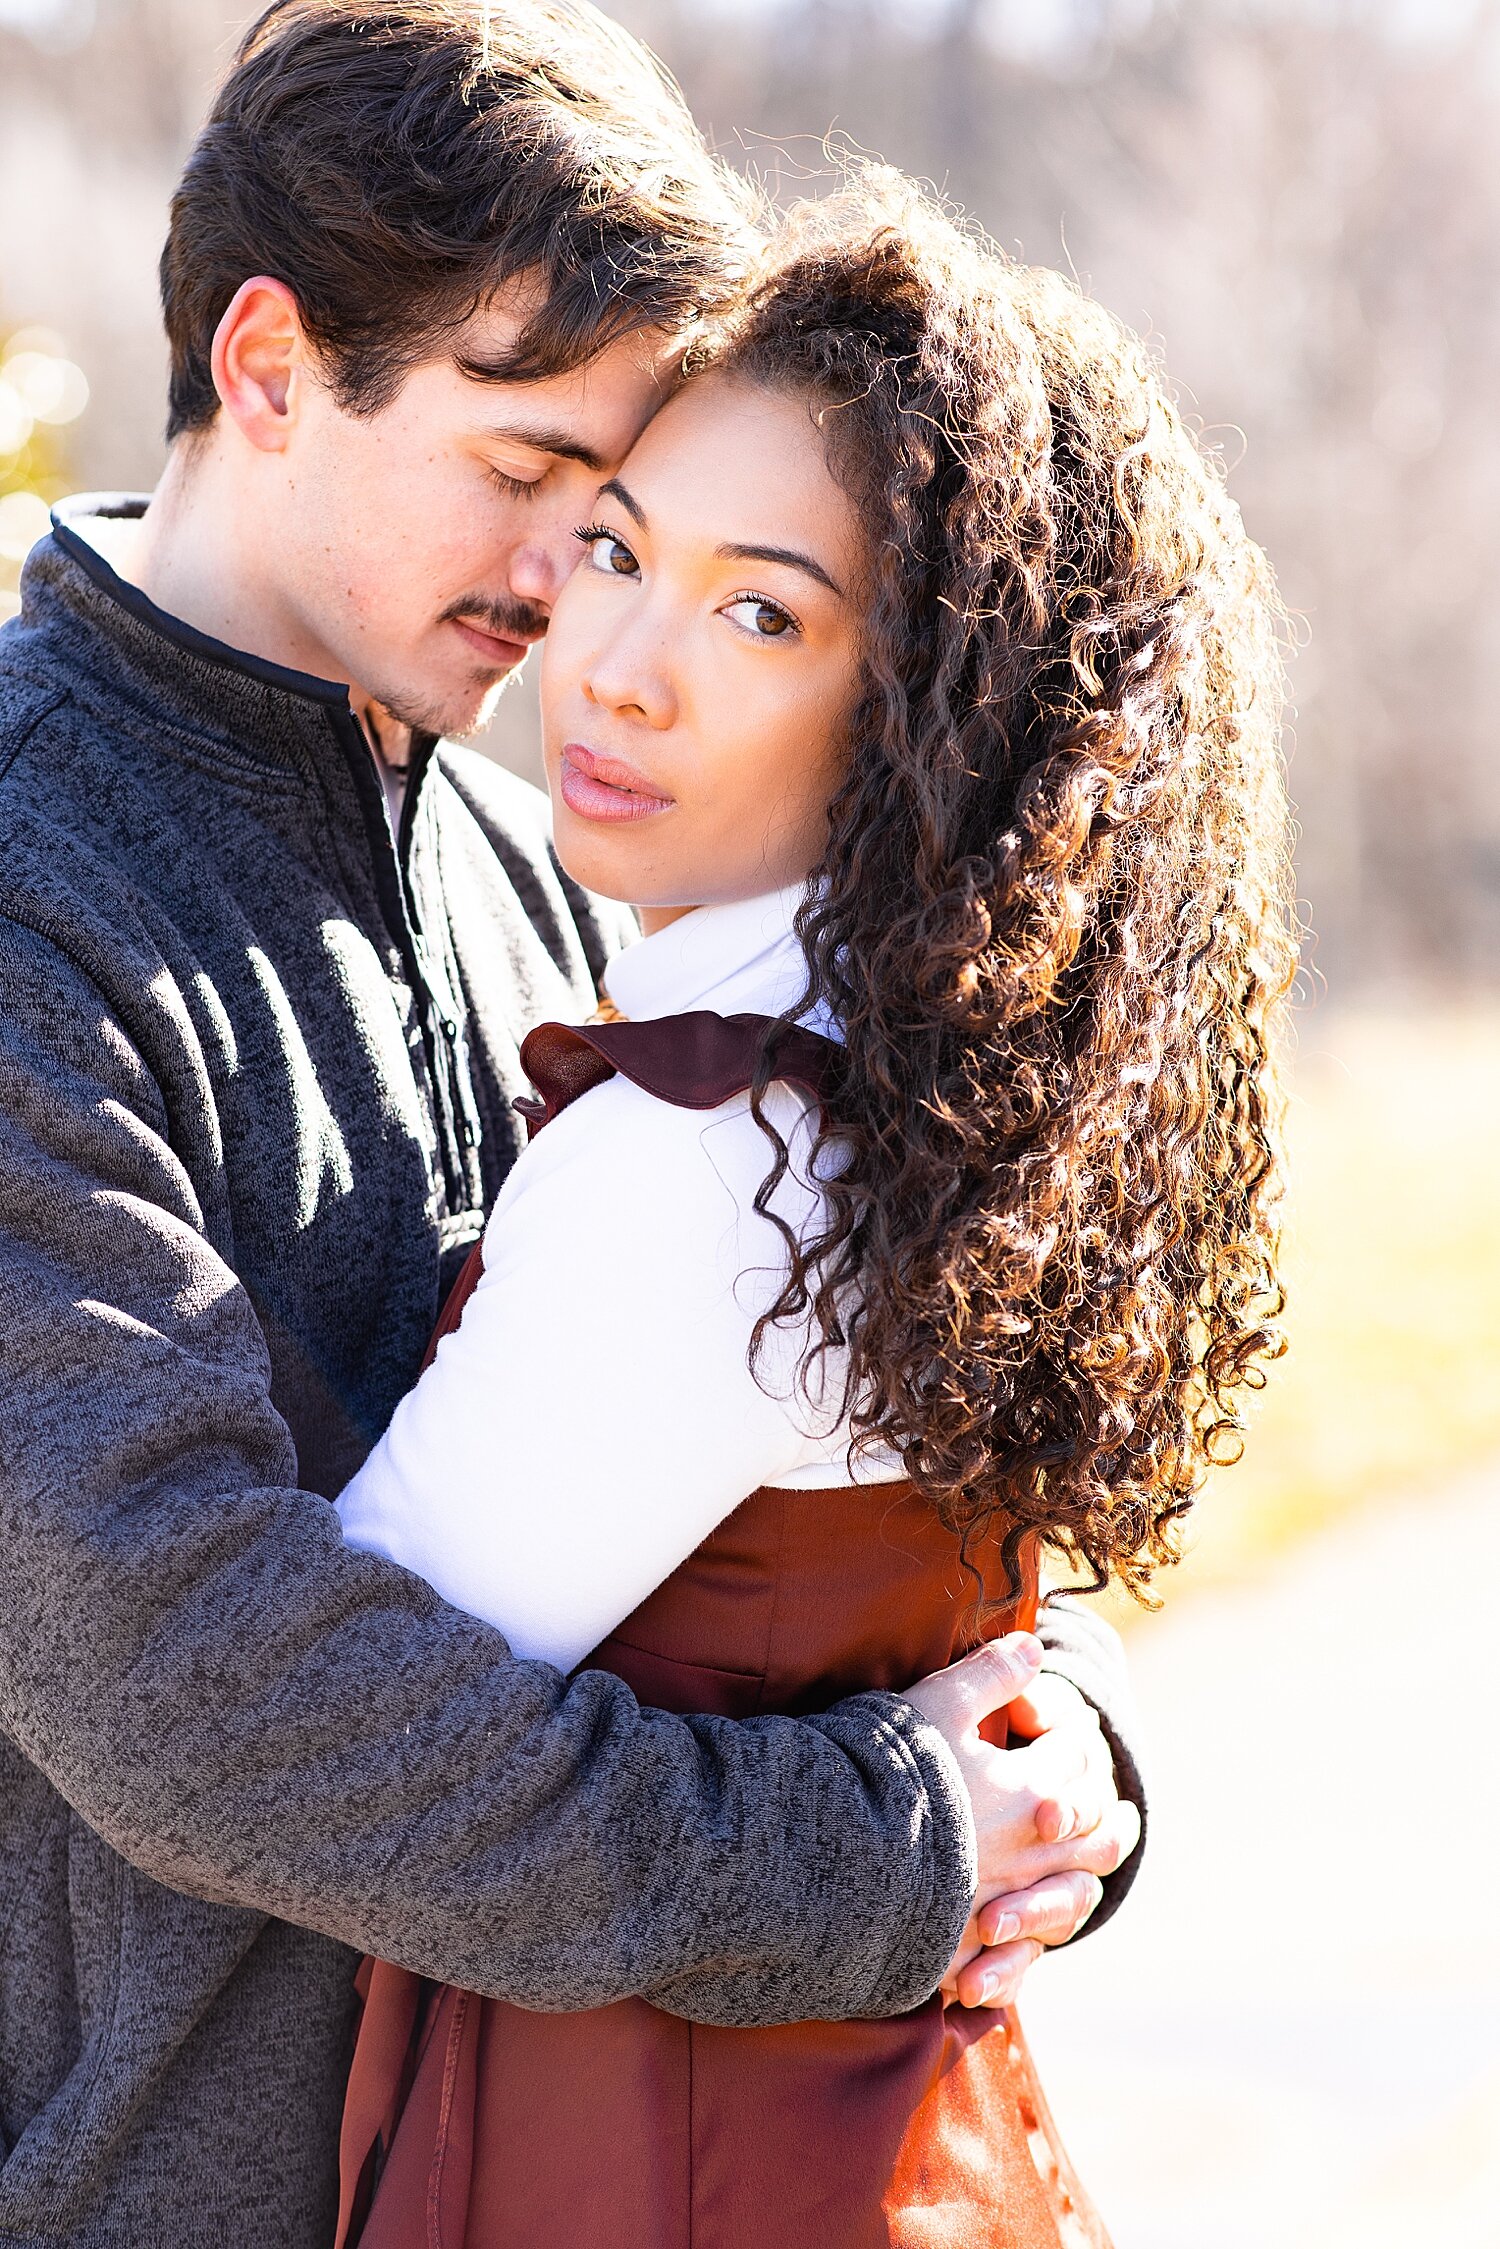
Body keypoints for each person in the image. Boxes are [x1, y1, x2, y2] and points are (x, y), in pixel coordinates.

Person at [0, 7, 1144, 2244]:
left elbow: (738, 1432)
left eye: (611, 515)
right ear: (264, 366)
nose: (566, 590)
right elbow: (189, 1688)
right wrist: (886, 1860)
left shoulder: (528, 863)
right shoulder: (32, 884)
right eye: (527, 476)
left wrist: (1058, 1758)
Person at [334, 176, 1294, 2248]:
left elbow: (330, 1721)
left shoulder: (712, 1148)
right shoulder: (926, 1088)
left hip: (659, 2182)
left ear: (930, 724)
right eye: (616, 552)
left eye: (761, 611)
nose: (620, 666)